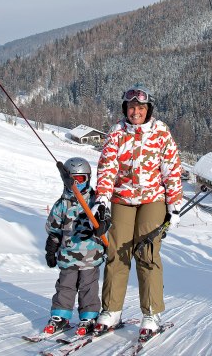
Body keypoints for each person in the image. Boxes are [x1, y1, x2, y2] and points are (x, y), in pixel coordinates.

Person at [93, 85, 183, 338]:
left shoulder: (161, 132)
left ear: (148, 110)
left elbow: (171, 170)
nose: (135, 112)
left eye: (140, 108)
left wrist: (174, 206)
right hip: (122, 198)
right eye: (131, 107)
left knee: (147, 253)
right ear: (125, 109)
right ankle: (111, 310)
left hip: (152, 198)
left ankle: (151, 312)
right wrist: (102, 198)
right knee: (116, 252)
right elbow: (107, 167)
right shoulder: (117, 133)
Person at [44, 157, 111, 336]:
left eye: (80, 179)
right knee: (65, 287)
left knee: (88, 288)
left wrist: (104, 224)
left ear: (88, 178)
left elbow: (107, 221)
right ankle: (60, 315)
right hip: (67, 256)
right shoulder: (62, 204)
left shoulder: (97, 202)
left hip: (91, 256)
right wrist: (51, 249)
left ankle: (89, 316)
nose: (76, 183)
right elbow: (54, 229)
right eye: (73, 179)